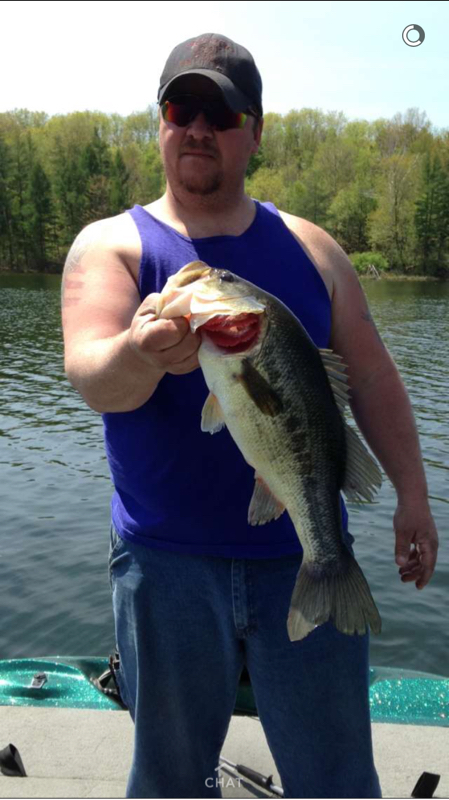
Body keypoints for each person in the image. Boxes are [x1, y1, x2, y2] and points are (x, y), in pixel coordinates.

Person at [61, 33, 439, 799]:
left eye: (221, 114)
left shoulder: (313, 249)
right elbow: (96, 379)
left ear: (254, 132)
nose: (198, 127)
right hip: (163, 568)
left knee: (335, 781)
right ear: (160, 122)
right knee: (169, 781)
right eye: (181, 109)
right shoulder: (112, 247)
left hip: (302, 548)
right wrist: (139, 351)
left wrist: (412, 494)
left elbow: (370, 378)